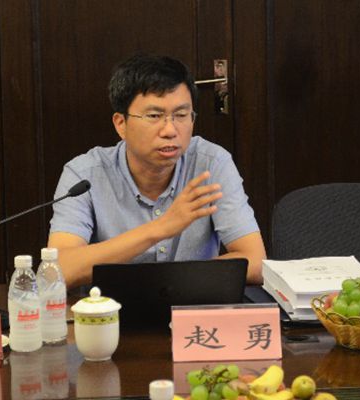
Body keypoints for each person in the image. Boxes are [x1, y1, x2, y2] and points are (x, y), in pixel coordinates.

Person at [49, 54, 266, 288]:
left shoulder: (211, 163)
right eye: (154, 116)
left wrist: (168, 282)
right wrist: (159, 229)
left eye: (181, 115)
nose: (170, 130)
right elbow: (58, 271)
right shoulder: (84, 174)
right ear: (121, 124)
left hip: (191, 304)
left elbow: (255, 262)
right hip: (111, 309)